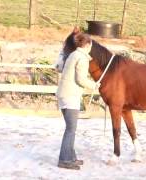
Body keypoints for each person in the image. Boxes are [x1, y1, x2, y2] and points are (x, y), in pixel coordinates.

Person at [55, 29, 97, 170]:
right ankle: (65, 160)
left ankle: (71, 157)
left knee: (70, 129)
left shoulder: (73, 54)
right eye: (90, 44)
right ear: (88, 45)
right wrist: (94, 85)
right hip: (70, 97)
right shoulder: (82, 58)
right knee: (71, 130)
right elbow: (81, 79)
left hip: (64, 95)